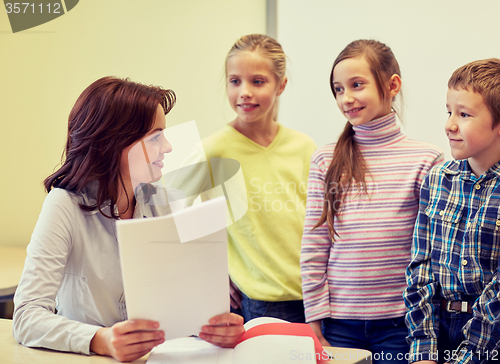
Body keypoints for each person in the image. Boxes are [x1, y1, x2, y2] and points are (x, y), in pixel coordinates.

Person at [12, 76, 244, 363]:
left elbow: (190, 309)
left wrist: (216, 328)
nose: (168, 147)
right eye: (156, 137)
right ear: (115, 142)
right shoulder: (64, 205)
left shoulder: (170, 203)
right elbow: (27, 316)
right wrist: (101, 340)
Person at [300, 39, 444, 364]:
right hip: (338, 324)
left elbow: (431, 254)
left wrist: (426, 326)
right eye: (338, 89)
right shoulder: (325, 159)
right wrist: (313, 318)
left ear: (392, 85)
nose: (346, 98)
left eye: (356, 85)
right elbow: (314, 244)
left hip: (400, 323)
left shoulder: (426, 159)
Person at [175, 34, 316, 323]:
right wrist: (211, 271)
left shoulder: (304, 147)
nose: (245, 92)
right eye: (235, 81)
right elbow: (170, 213)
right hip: (260, 300)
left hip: (315, 295)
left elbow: (320, 219)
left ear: (281, 85)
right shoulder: (214, 150)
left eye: (258, 81)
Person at [404, 58, 500, 364]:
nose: (450, 124)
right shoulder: (437, 179)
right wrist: (424, 351)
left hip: (489, 335)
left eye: (464, 114)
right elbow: (421, 268)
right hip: (438, 328)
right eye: (449, 111)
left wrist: (468, 356)